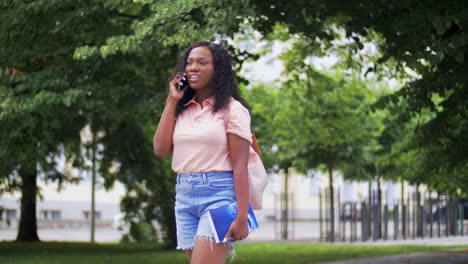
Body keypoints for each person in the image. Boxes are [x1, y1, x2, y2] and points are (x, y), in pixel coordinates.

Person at [153, 41, 252, 264]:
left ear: (218, 69)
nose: (193, 67)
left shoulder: (233, 110)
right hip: (184, 196)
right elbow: (160, 149)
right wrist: (172, 100)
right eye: (189, 63)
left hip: (218, 195)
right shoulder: (182, 109)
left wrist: (242, 216)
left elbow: (240, 166)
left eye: (202, 62)